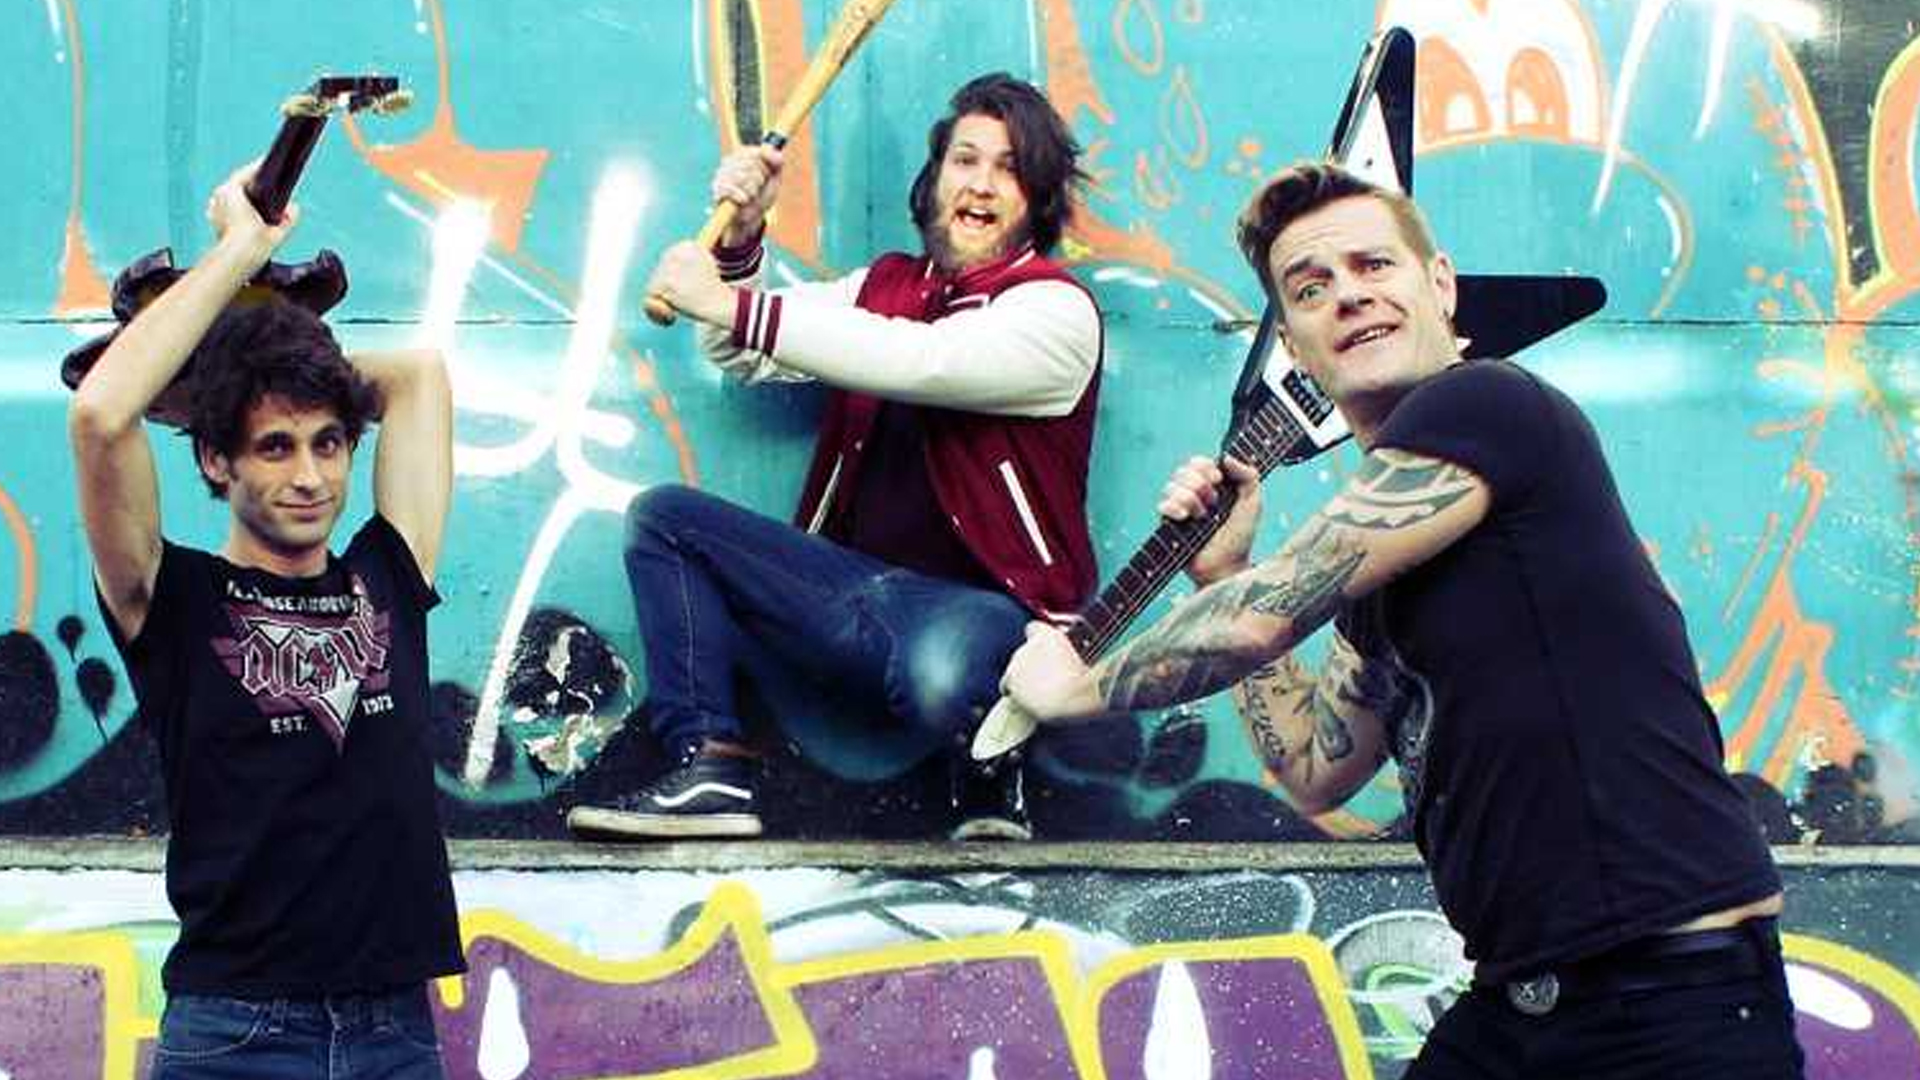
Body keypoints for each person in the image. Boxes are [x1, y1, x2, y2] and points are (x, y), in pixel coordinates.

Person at [1000, 161, 1802, 1077]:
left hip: (1671, 999)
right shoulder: (1388, 565)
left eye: (1374, 265)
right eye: (1311, 288)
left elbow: (1264, 620)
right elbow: (1317, 768)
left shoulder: (1489, 404)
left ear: (1440, 286)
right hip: (1521, 1003)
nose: (1348, 295)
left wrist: (1072, 687)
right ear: (1295, 348)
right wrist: (1223, 572)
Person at [566, 72, 1101, 842]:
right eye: (965, 160)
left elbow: (921, 362)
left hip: (989, 620)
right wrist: (743, 239)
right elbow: (740, 351)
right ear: (935, 178)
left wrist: (725, 301)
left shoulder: (1056, 311)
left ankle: (988, 765)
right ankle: (709, 768)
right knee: (666, 521)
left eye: (1009, 169)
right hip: (853, 595)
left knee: (943, 668)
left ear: (1038, 198)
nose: (981, 185)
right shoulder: (882, 287)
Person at [68, 162, 463, 1077]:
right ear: (217, 462)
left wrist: (275, 372)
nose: (311, 477)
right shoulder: (170, 600)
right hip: (237, 1036)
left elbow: (418, 375)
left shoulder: (388, 579)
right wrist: (242, 253)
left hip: (395, 1032)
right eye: (275, 447)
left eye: (329, 443)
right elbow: (100, 416)